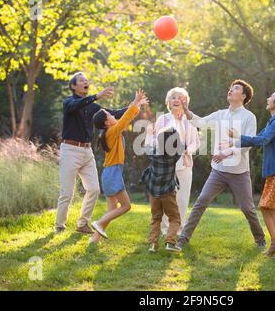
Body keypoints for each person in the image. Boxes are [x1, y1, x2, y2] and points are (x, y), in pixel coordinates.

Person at [176, 79, 266, 249]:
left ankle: (260, 240)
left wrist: (226, 153)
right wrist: (187, 111)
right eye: (230, 88)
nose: (230, 90)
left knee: (248, 209)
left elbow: (248, 144)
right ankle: (183, 238)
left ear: (244, 96)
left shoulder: (249, 117)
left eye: (236, 88)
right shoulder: (220, 114)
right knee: (201, 201)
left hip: (239, 173)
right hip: (218, 171)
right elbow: (200, 123)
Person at [55, 72, 127, 234]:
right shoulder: (69, 102)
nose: (85, 82)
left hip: (87, 152)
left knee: (94, 189)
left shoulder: (93, 106)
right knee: (67, 192)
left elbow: (113, 113)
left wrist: (135, 105)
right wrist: (97, 95)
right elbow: (75, 106)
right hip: (70, 150)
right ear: (73, 86)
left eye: (87, 80)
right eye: (81, 80)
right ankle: (60, 225)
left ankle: (82, 224)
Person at [228, 89, 275, 259]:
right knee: (265, 206)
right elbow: (260, 137)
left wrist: (238, 139)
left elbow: (263, 140)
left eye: (271, 97)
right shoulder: (274, 121)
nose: (268, 99)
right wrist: (238, 138)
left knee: (272, 208)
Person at [89, 89, 149, 243]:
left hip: (109, 173)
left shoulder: (110, 131)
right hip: (112, 173)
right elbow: (125, 119)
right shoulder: (112, 131)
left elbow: (126, 115)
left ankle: (94, 239)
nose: (113, 115)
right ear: (106, 122)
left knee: (112, 209)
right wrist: (135, 102)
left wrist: (136, 104)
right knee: (126, 206)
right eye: (109, 115)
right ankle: (100, 223)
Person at [145, 87, 199, 236]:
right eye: (173, 97)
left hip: (184, 165)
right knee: (163, 198)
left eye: (180, 97)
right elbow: (156, 140)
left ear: (186, 102)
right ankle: (163, 230)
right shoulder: (163, 119)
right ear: (168, 102)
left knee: (181, 199)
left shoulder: (190, 120)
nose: (176, 99)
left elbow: (195, 142)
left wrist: (189, 150)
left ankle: (179, 230)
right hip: (165, 167)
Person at [140, 127, 186, 253]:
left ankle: (153, 244)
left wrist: (150, 134)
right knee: (175, 218)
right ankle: (170, 241)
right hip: (168, 193)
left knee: (156, 218)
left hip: (154, 192)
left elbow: (146, 146)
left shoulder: (154, 153)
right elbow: (184, 145)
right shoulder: (174, 155)